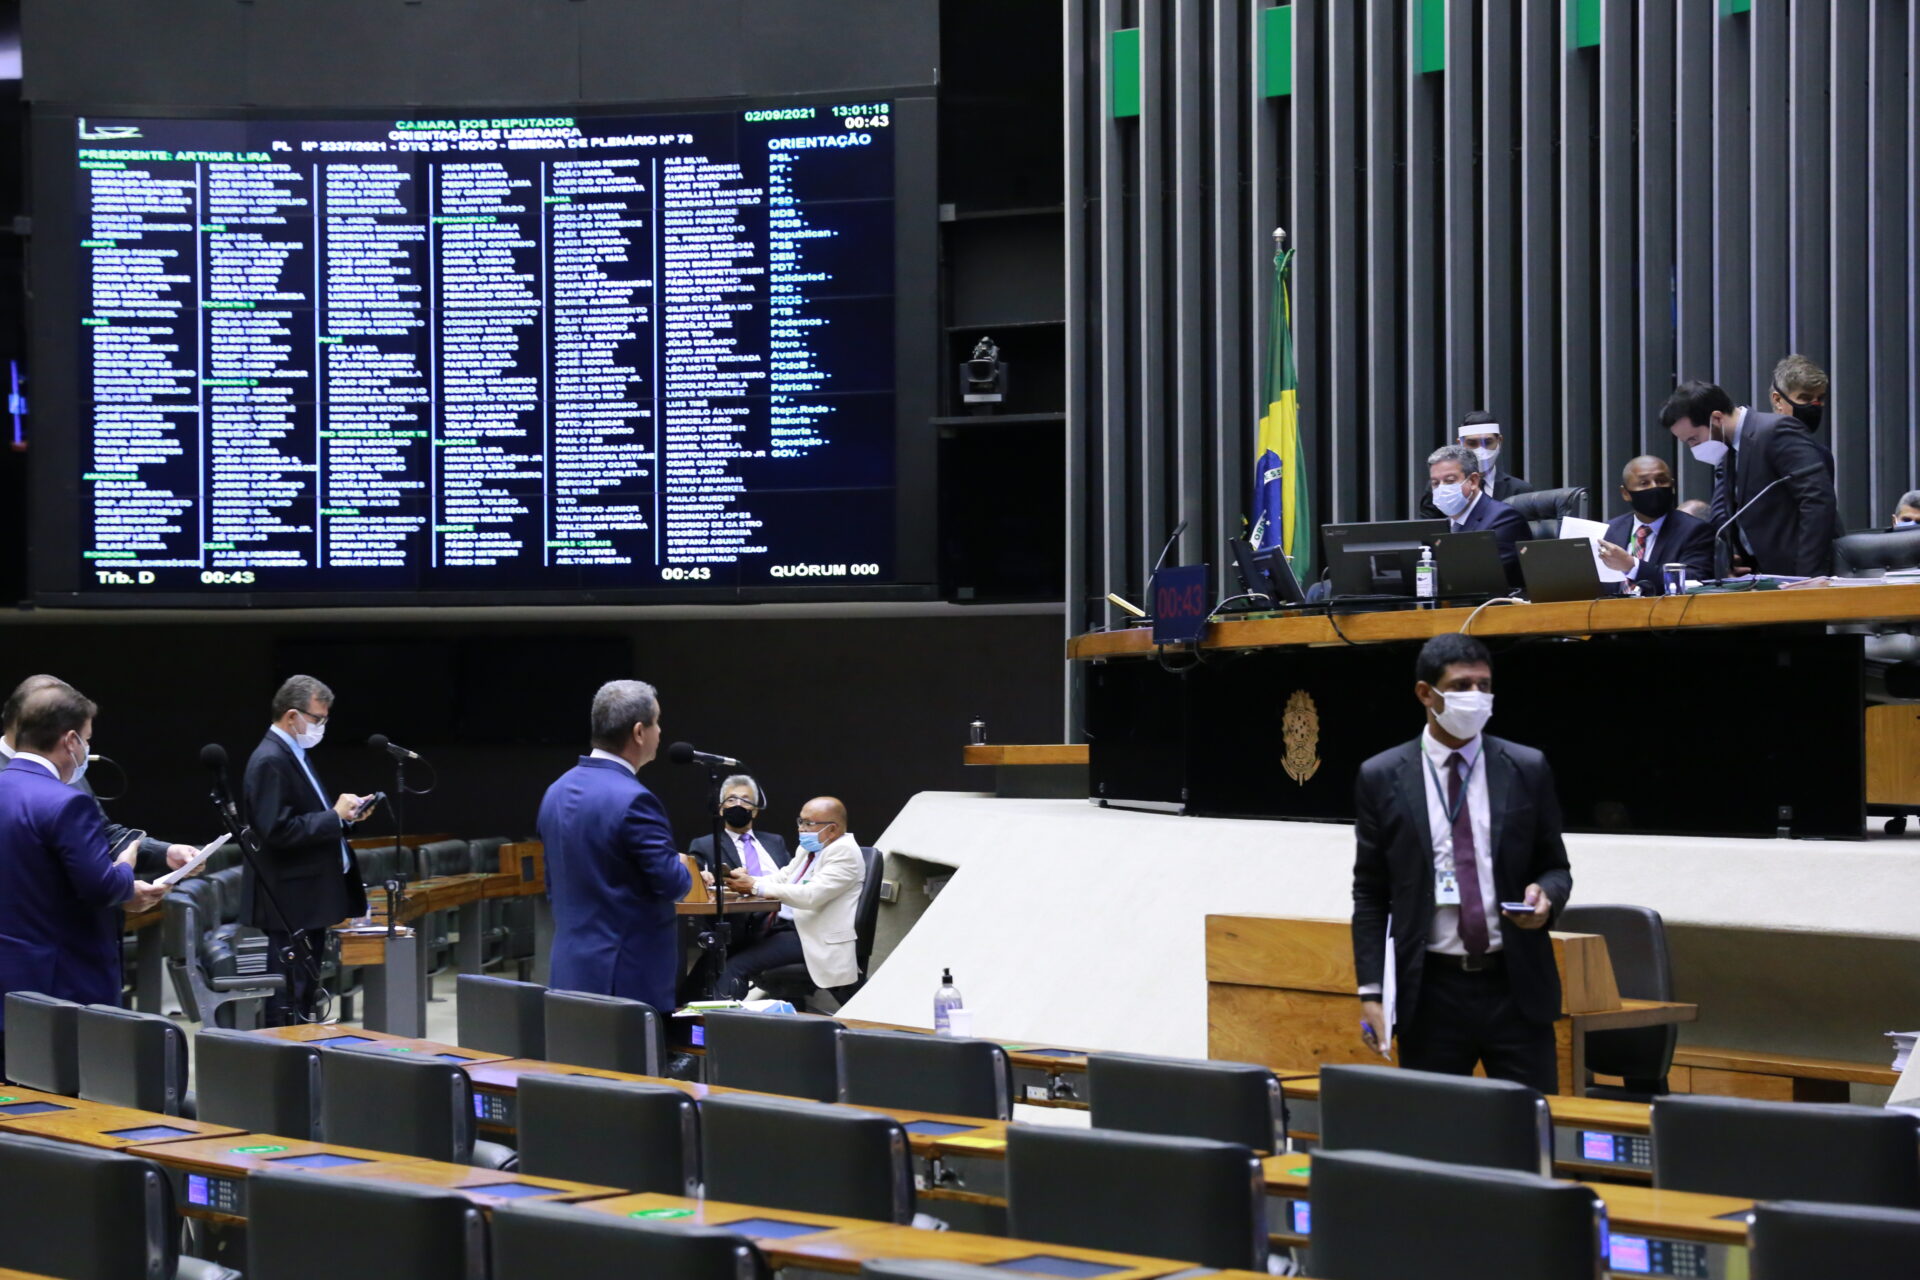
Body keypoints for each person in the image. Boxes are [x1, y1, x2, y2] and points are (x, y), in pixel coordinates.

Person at [1352, 633, 1573, 1093]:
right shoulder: (1382, 776)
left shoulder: (1526, 767)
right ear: (1425, 694)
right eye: (1461, 685)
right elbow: (1371, 893)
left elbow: (1555, 867)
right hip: (1431, 991)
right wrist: (1371, 991)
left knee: (1532, 1132)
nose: (1476, 697)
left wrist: (1546, 897)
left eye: (1484, 685)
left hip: (1514, 986)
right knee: (1435, 1137)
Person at [0, 683, 168, 1075]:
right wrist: (126, 865)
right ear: (70, 740)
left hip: (10, 979)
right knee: (69, 1102)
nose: (88, 751)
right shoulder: (66, 800)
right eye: (88, 740)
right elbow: (102, 887)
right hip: (63, 985)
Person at [538, 679, 691, 1016]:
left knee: (576, 1066)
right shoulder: (635, 800)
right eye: (657, 722)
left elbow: (553, 883)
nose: (660, 732)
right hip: (626, 977)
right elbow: (673, 885)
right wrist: (681, 864)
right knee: (633, 1069)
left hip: (570, 966)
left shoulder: (556, 791)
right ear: (639, 732)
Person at [242, 674, 377, 1025]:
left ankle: (301, 1059)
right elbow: (277, 830)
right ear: (291, 716)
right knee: (288, 994)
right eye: (317, 719)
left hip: (305, 896)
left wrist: (345, 818)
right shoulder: (271, 759)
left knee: (304, 991)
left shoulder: (292, 753)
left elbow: (307, 818)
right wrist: (334, 817)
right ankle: (283, 1063)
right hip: (290, 899)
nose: (321, 726)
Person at [0, 674, 198, 879]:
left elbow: (101, 834)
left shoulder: (64, 764)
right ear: (25, 720)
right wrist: (117, 889)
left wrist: (164, 852)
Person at [1661, 379, 1840, 578]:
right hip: (1760, 575)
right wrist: (1730, 556)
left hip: (1802, 574)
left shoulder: (1776, 431)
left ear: (1717, 419)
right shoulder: (1728, 448)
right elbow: (1727, 512)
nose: (1693, 448)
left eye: (1693, 439)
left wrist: (1808, 576)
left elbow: (1817, 502)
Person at [719, 796, 866, 1002]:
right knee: (731, 948)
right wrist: (747, 880)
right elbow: (784, 877)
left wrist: (754, 887)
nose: (801, 829)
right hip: (789, 928)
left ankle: (722, 1026)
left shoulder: (844, 852)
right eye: (800, 821)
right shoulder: (811, 848)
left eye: (809, 823)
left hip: (811, 935)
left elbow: (810, 896)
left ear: (832, 829)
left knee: (736, 966)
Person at [1595, 456, 1716, 592]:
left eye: (1661, 481)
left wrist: (1632, 565)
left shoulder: (1695, 530)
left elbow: (1694, 579)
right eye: (1644, 483)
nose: (1655, 487)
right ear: (1625, 493)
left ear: (1672, 486)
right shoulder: (1609, 530)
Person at [1426, 444, 1531, 583]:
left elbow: (1482, 576)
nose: (1441, 489)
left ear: (1473, 481)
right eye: (1435, 483)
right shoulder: (1438, 526)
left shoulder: (1504, 519)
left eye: (1449, 481)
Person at [1417, 410, 1536, 519]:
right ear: (1460, 443)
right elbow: (1427, 530)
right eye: (1472, 443)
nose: (1481, 450)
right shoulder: (1440, 487)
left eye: (1488, 442)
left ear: (1499, 441)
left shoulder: (1519, 489)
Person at [1768, 353, 1828, 432]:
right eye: (1805, 398)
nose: (1815, 405)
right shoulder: (1756, 443)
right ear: (1778, 400)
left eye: (1820, 399)